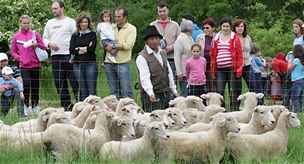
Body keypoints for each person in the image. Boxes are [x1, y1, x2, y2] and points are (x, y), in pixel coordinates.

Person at [43, 0, 79, 110]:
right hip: (55, 57)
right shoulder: (49, 23)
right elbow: (44, 38)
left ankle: (79, 104)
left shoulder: (70, 22)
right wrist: (49, 44)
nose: (53, 10)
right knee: (59, 82)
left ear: (62, 8)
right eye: (52, 8)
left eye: (55, 8)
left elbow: (77, 37)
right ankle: (67, 106)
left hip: (69, 56)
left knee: (74, 81)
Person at [136, 25, 178, 112]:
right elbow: (144, 77)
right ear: (146, 41)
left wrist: (173, 89)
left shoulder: (162, 53)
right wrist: (150, 93)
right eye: (151, 39)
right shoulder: (142, 57)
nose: (155, 41)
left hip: (165, 92)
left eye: (156, 38)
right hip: (151, 94)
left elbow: (168, 72)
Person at [11, 15, 46, 112]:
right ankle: (25, 106)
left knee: (35, 86)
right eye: (24, 23)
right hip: (24, 66)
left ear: (30, 23)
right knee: (25, 85)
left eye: (27, 23)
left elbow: (43, 47)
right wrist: (19, 58)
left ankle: (35, 106)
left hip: (35, 64)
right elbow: (13, 52)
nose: (26, 25)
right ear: (20, 23)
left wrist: (37, 44)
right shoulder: (16, 36)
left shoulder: (35, 34)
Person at [211, 17, 243, 111]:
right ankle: (221, 109)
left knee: (233, 90)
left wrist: (239, 68)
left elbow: (239, 54)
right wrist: (213, 69)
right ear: (221, 27)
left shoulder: (235, 37)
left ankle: (234, 109)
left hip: (231, 68)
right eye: (223, 26)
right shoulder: (216, 38)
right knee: (220, 90)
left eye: (227, 26)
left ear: (230, 27)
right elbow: (213, 54)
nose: (225, 28)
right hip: (220, 68)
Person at [104, 7, 137, 98]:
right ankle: (116, 111)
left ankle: (130, 110)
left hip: (122, 63)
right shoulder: (111, 27)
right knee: (113, 92)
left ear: (125, 17)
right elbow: (103, 41)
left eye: (119, 16)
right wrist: (108, 46)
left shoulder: (131, 29)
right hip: (109, 62)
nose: (116, 19)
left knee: (126, 91)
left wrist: (113, 45)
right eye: (115, 16)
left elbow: (128, 45)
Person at [70, 15, 97, 101]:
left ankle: (94, 109)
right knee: (82, 88)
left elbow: (92, 48)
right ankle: (84, 109)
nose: (84, 24)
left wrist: (79, 48)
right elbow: (72, 50)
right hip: (78, 64)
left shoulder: (92, 34)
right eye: (82, 22)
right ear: (79, 23)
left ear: (88, 23)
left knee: (91, 88)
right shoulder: (75, 35)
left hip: (90, 63)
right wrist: (85, 48)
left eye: (86, 22)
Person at [151, 1, 180, 79]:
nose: (162, 13)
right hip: (157, 58)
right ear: (157, 12)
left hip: (171, 58)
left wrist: (171, 47)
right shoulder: (152, 25)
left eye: (164, 11)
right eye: (160, 11)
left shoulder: (175, 25)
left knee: (172, 80)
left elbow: (179, 41)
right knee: (158, 80)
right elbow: (148, 41)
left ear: (168, 11)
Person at [174, 20, 193, 96]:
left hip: (191, 72)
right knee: (185, 93)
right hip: (184, 73)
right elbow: (177, 56)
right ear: (188, 28)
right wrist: (179, 73)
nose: (193, 28)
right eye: (192, 26)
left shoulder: (190, 38)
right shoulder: (180, 39)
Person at [196, 17, 216, 92]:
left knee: (214, 86)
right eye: (204, 28)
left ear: (213, 28)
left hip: (213, 65)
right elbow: (196, 50)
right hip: (203, 66)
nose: (205, 30)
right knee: (205, 86)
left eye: (207, 28)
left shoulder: (217, 37)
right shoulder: (200, 37)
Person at [233, 19, 253, 89]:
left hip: (247, 64)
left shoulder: (248, 37)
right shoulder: (232, 38)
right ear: (234, 28)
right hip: (236, 65)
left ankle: (254, 99)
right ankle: (237, 100)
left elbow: (250, 50)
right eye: (238, 26)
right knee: (238, 86)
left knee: (251, 84)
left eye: (242, 26)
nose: (240, 28)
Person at [288, 45, 304, 113]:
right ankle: (300, 111)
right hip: (302, 79)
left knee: (295, 97)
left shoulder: (296, 60)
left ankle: (297, 112)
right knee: (300, 97)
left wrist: (290, 60)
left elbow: (289, 69)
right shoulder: (302, 60)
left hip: (296, 80)